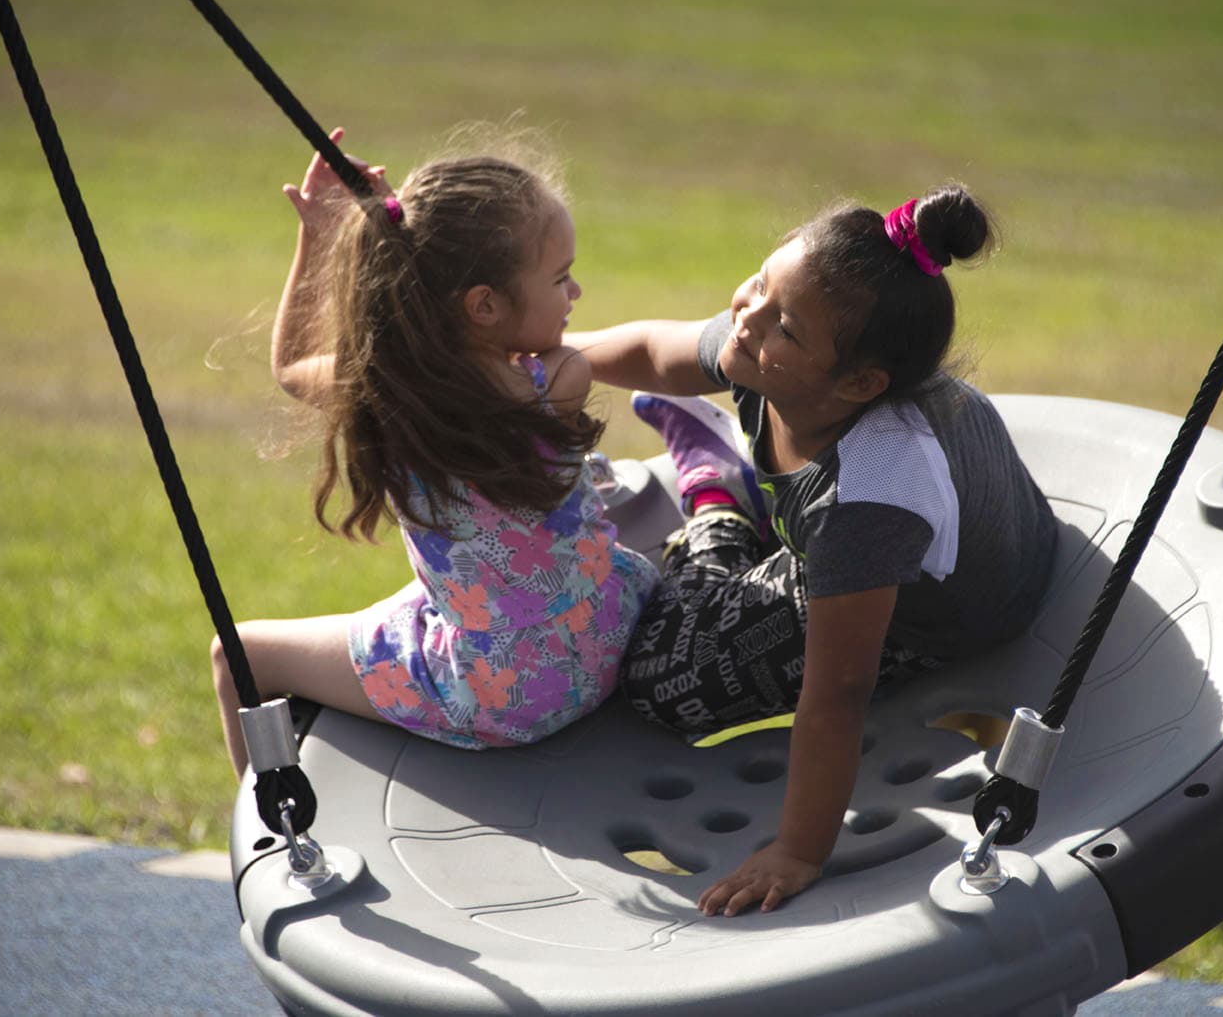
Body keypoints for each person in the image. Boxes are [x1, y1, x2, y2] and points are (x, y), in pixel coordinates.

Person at [566, 185, 1058, 917]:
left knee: (658, 673)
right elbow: (652, 352)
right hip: (869, 537)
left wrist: (798, 849)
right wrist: (545, 360)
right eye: (760, 283)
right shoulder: (773, 349)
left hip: (939, 611)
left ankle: (715, 495)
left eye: (784, 326)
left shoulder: (873, 500)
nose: (748, 314)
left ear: (861, 381)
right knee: (772, 513)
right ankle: (731, 481)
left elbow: (837, 693)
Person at [212, 130, 659, 775]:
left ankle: (274, 829)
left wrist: (322, 233)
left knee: (238, 656)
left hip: (502, 698)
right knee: (425, 602)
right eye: (561, 278)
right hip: (606, 638)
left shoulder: (388, 400)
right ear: (483, 305)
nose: (575, 293)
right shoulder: (559, 380)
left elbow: (291, 367)